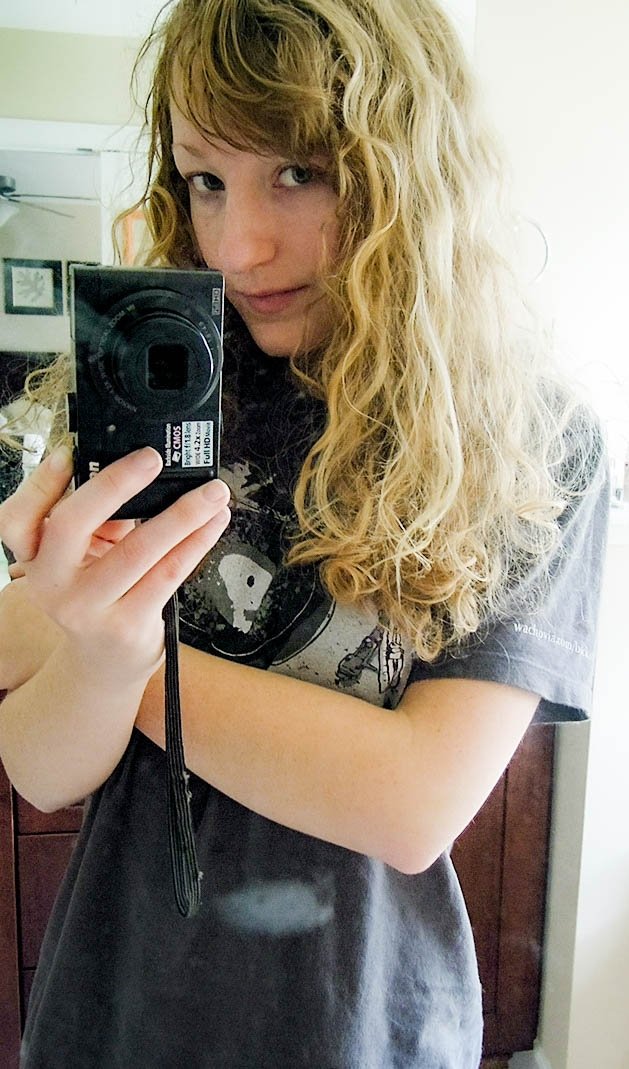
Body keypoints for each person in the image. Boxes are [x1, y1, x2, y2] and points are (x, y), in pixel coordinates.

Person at [0, 1, 609, 1066]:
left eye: (299, 172)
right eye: (205, 180)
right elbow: (44, 773)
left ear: (409, 176)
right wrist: (85, 649)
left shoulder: (526, 444)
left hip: (358, 1021)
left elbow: (411, 801)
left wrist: (113, 650)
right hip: (116, 1014)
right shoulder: (157, 396)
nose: (239, 245)